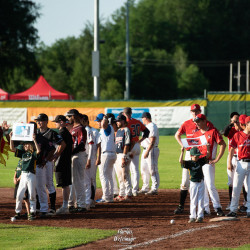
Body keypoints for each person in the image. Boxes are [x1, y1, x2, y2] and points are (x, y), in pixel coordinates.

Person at [174, 104, 214, 214]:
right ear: (190, 112)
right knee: (185, 180)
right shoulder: (187, 123)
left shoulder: (205, 123)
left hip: (202, 154)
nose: (194, 112)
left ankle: (205, 208)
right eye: (193, 111)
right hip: (189, 154)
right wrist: (182, 145)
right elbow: (177, 134)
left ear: (200, 111)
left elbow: (213, 134)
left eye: (196, 111)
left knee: (203, 180)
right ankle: (181, 206)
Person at [194, 114, 226, 216]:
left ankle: (217, 208)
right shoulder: (196, 133)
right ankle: (206, 209)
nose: (197, 123)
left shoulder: (213, 131)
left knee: (210, 185)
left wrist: (217, 159)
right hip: (199, 163)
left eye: (198, 121)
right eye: (196, 122)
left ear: (204, 121)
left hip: (208, 162)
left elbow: (223, 144)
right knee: (202, 186)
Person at [35, 113, 65, 215]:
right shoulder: (36, 133)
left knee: (49, 183)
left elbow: (63, 144)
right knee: (39, 184)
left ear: (46, 121)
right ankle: (39, 206)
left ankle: (52, 207)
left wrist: (56, 155)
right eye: (37, 121)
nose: (39, 122)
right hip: (38, 162)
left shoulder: (52, 133)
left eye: (41, 120)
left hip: (47, 162)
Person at [10, 132, 41, 221]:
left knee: (32, 194)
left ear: (31, 145)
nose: (25, 145)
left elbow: (39, 151)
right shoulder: (23, 154)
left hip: (31, 174)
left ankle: (32, 213)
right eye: (24, 144)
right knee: (19, 195)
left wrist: (34, 140)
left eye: (27, 144)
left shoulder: (33, 154)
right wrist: (11, 138)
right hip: (23, 175)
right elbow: (12, 148)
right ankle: (18, 212)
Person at [227, 116, 250, 218]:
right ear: (246, 124)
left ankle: (249, 209)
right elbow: (232, 148)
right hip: (241, 163)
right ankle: (233, 210)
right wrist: (229, 162)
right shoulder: (238, 135)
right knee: (236, 187)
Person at [123, 107, 150, 196]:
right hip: (137, 146)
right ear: (131, 113)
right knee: (135, 169)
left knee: (127, 169)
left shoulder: (125, 123)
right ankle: (135, 190)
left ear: (124, 113)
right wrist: (140, 140)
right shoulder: (137, 122)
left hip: (130, 147)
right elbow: (147, 132)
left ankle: (129, 190)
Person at [180, 146, 210, 223]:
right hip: (193, 183)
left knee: (200, 200)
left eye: (198, 155)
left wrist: (208, 148)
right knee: (193, 200)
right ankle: (192, 216)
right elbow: (181, 161)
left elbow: (207, 156)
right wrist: (182, 152)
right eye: (196, 155)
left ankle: (200, 216)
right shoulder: (189, 163)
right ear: (191, 156)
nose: (197, 157)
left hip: (201, 182)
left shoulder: (200, 161)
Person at [66, 109, 87, 212]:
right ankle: (75, 203)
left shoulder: (81, 128)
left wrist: (71, 153)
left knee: (79, 181)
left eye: (69, 117)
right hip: (74, 156)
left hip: (78, 155)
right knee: (74, 181)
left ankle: (81, 205)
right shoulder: (73, 128)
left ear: (74, 116)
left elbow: (81, 144)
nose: (68, 119)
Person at [51, 115, 73, 215]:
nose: (55, 123)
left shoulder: (62, 133)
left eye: (56, 122)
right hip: (66, 160)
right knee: (66, 184)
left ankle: (65, 207)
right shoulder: (67, 132)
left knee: (64, 184)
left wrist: (55, 156)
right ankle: (65, 205)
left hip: (62, 161)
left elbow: (61, 145)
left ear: (61, 122)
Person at [95, 113, 117, 203]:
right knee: (109, 176)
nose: (97, 123)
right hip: (111, 154)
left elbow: (104, 124)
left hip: (106, 154)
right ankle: (110, 196)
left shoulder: (107, 127)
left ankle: (106, 197)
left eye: (98, 121)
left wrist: (105, 118)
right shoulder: (107, 128)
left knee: (104, 176)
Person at [80, 114, 99, 210]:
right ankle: (88, 200)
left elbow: (96, 145)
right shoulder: (83, 130)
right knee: (87, 180)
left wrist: (94, 158)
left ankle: (91, 200)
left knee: (91, 180)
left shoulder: (92, 131)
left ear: (86, 121)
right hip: (85, 157)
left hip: (91, 157)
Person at [223, 112, 241, 210]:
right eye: (235, 120)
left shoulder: (244, 130)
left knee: (242, 182)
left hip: (241, 158)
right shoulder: (230, 130)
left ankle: (246, 203)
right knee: (231, 182)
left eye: (238, 119)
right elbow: (224, 132)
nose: (236, 122)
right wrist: (232, 123)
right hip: (231, 157)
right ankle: (231, 203)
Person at [114, 114, 132, 201]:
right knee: (119, 176)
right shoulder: (118, 131)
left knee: (125, 175)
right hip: (117, 155)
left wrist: (124, 156)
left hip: (123, 154)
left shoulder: (126, 130)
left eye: (119, 121)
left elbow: (127, 144)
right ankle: (121, 194)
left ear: (124, 121)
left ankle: (129, 194)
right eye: (117, 121)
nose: (117, 122)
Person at [140, 112, 160, 195]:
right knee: (144, 169)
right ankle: (145, 187)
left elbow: (153, 140)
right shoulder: (147, 127)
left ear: (146, 118)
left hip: (151, 149)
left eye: (142, 118)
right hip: (145, 149)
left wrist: (147, 151)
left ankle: (154, 188)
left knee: (153, 169)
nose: (142, 120)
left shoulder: (152, 126)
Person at [106, 113, 119, 198]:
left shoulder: (116, 130)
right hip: (114, 152)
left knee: (119, 173)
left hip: (118, 152)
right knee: (113, 173)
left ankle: (121, 191)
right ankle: (115, 190)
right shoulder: (111, 129)